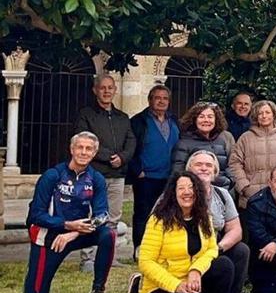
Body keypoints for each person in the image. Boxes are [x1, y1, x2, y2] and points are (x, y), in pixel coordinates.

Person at [126, 171, 236, 293]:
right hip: (160, 286)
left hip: (189, 277)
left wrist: (196, 270)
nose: (186, 192)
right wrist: (175, 285)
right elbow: (145, 261)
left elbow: (212, 249)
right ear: (173, 193)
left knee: (224, 265)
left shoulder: (204, 217)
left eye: (191, 188)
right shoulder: (159, 220)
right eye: (181, 188)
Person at [24, 131, 116, 293]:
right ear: (72, 150)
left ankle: (97, 292)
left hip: (77, 233)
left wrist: (74, 232)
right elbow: (35, 215)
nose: (83, 152)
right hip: (50, 236)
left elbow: (102, 216)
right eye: (79, 147)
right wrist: (65, 225)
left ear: (94, 153)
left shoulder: (96, 179)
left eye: (88, 149)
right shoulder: (52, 175)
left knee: (108, 234)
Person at [185, 151, 253, 293]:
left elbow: (236, 230)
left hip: (214, 247)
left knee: (241, 250)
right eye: (198, 165)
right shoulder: (177, 193)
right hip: (185, 250)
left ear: (215, 172)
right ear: (189, 170)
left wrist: (218, 248)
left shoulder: (222, 195)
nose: (204, 168)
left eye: (209, 165)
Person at [73, 74, 136, 238]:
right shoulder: (86, 114)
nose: (106, 91)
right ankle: (88, 259)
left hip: (117, 176)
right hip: (94, 173)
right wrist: (109, 157)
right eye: (102, 88)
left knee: (113, 218)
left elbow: (131, 142)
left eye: (110, 88)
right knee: (91, 216)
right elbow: (84, 139)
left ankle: (109, 257)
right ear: (95, 90)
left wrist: (122, 158)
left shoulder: (122, 118)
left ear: (115, 90)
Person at [130, 84, 180, 257]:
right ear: (150, 100)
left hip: (169, 176)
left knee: (167, 213)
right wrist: (138, 170)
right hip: (146, 177)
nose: (162, 101)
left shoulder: (174, 121)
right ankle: (139, 249)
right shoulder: (138, 121)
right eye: (157, 98)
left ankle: (162, 250)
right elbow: (130, 148)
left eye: (165, 98)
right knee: (143, 213)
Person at [228, 100, 276, 208]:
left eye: (267, 112)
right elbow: (235, 163)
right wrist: (244, 187)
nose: (264, 116)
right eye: (260, 113)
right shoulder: (245, 138)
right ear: (255, 116)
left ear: (273, 115)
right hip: (251, 198)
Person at [171, 102, 237, 186]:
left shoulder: (221, 141)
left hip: (220, 192)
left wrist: (229, 181)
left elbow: (227, 167)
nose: (206, 120)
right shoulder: (183, 143)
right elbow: (177, 174)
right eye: (201, 117)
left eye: (210, 117)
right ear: (194, 120)